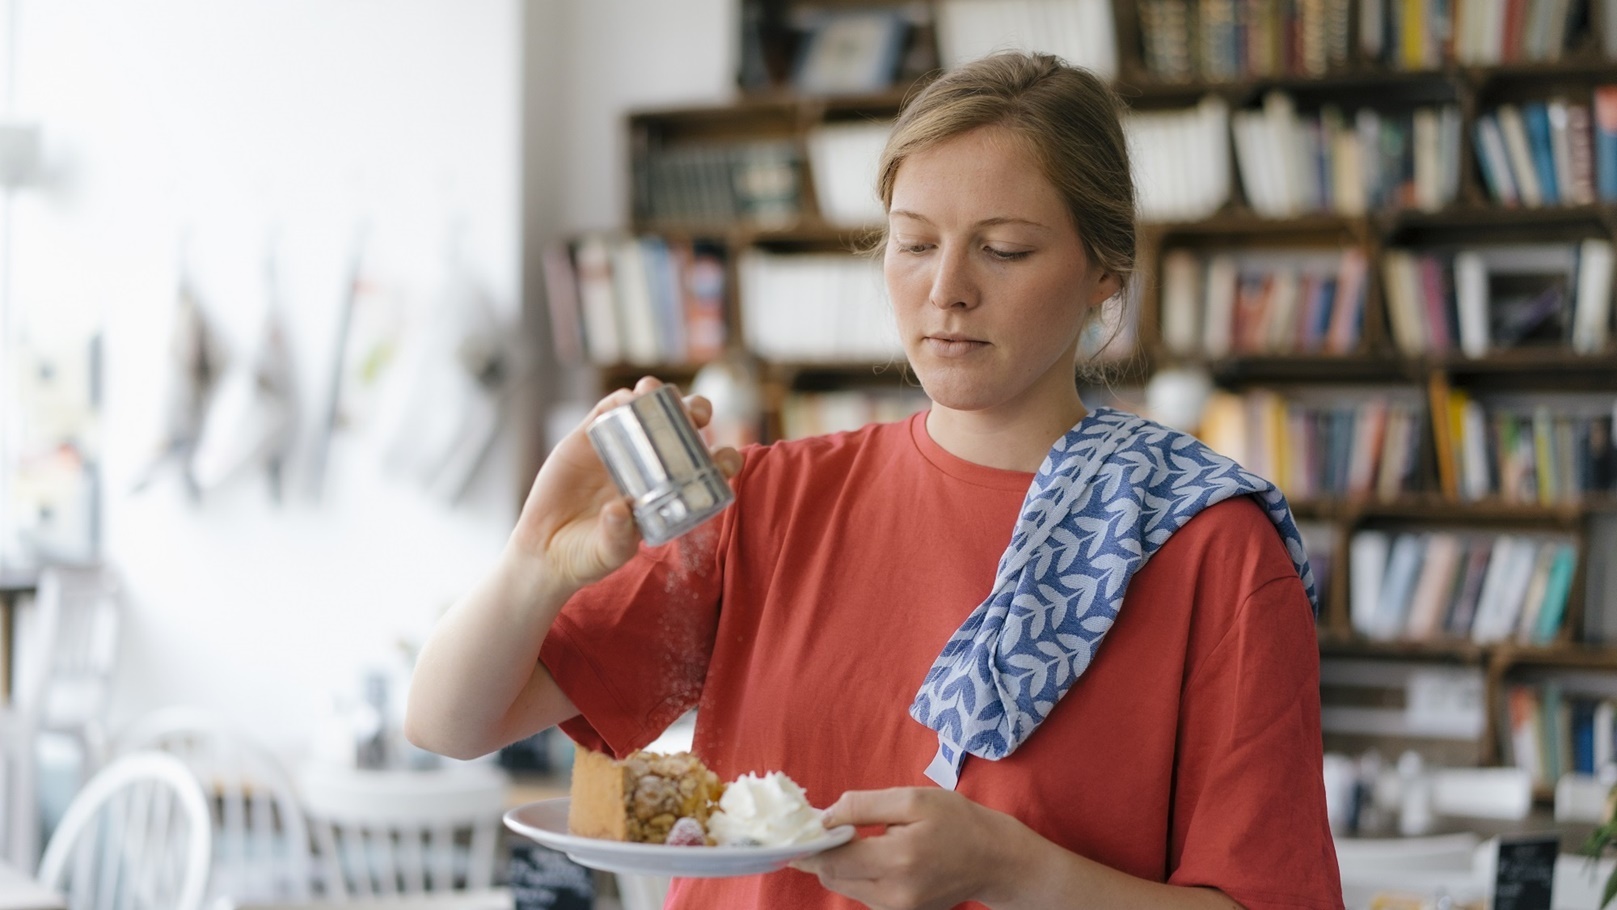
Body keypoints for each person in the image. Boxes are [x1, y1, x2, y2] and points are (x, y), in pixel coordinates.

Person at [406, 50, 1344, 910]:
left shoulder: (1206, 546)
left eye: (1004, 248)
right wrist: (539, 560)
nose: (947, 290)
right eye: (913, 242)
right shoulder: (770, 501)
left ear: (1106, 270)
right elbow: (451, 719)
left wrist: (1015, 870)